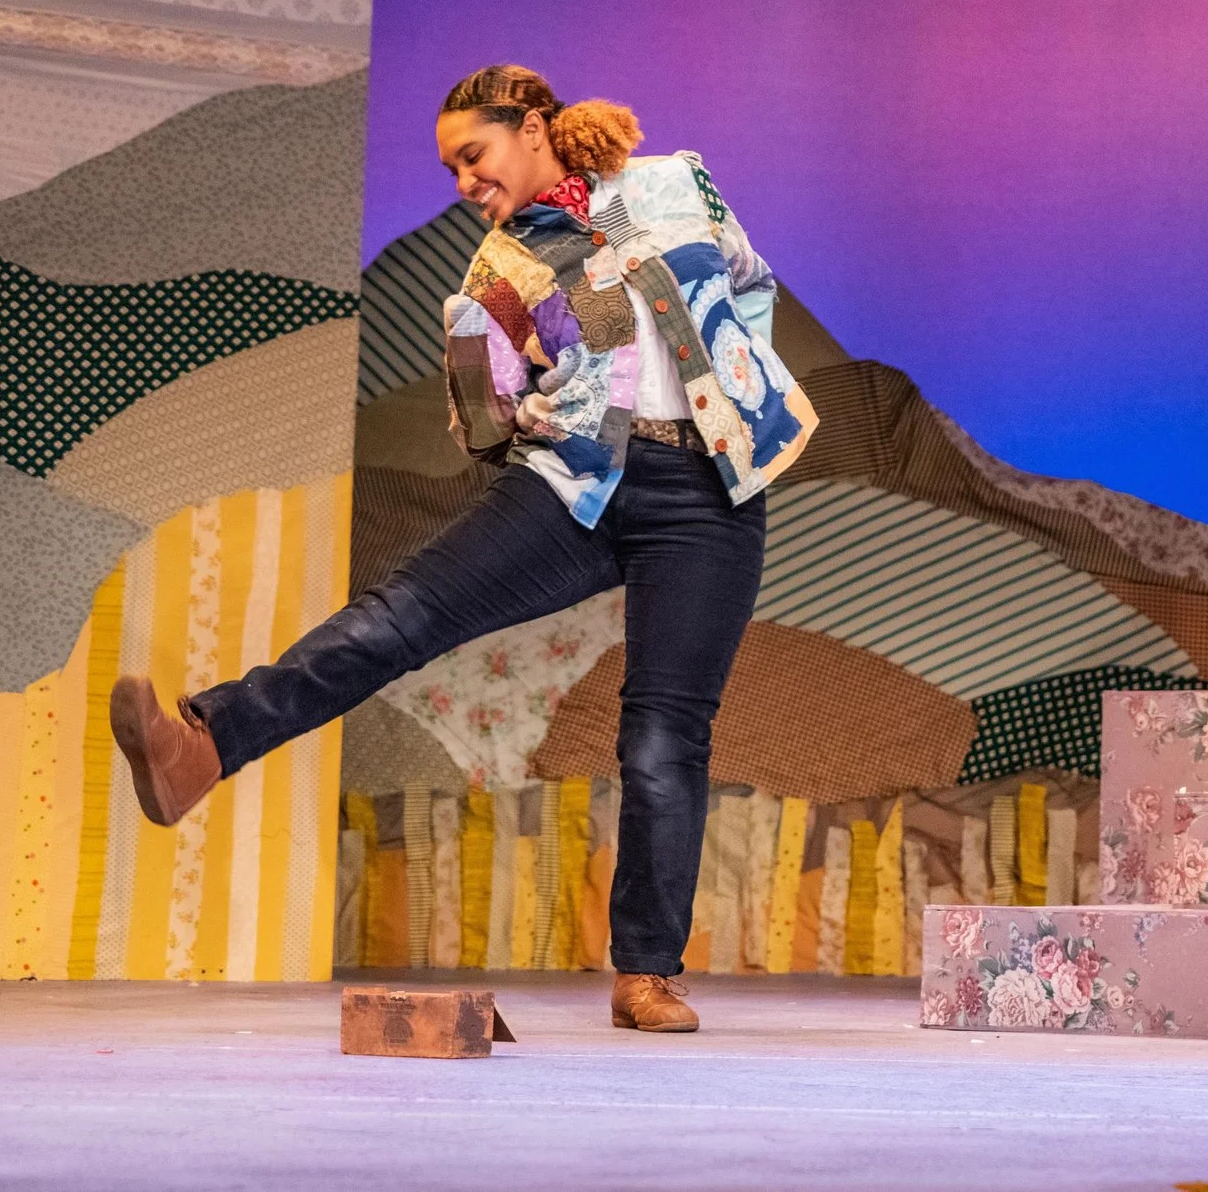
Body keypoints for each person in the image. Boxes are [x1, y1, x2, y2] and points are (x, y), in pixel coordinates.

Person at [108, 64, 816, 1031]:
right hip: (577, 481)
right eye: (450, 169)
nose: (464, 182)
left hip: (708, 491)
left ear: (533, 128)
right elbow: (480, 422)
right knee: (402, 615)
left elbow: (749, 281)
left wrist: (743, 388)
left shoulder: (673, 183)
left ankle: (646, 974)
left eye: (472, 156)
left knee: (664, 734)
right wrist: (515, 389)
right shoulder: (498, 269)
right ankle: (205, 744)